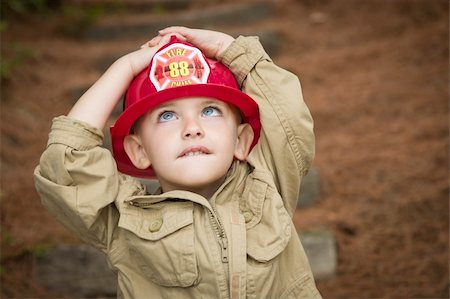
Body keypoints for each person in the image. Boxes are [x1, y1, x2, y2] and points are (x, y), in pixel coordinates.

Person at [34, 26, 321, 299]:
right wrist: (125, 68)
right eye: (167, 116)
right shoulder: (123, 219)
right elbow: (67, 163)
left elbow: (288, 120)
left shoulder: (269, 182)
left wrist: (227, 48)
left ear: (240, 140)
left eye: (210, 110)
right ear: (139, 150)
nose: (192, 128)